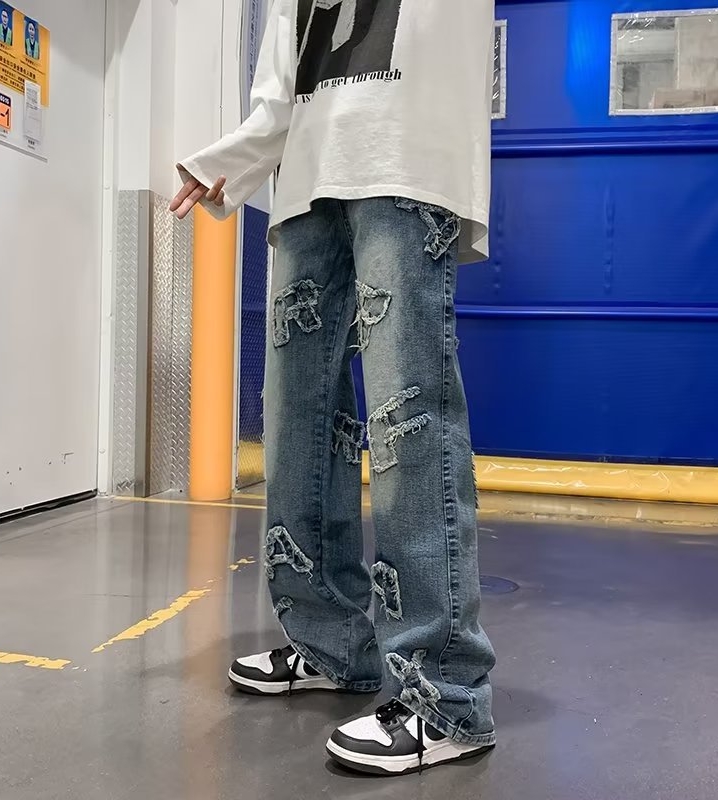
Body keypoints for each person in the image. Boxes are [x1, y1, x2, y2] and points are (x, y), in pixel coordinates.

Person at [170, 0, 496, 776]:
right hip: (305, 176)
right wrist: (233, 156)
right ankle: (330, 643)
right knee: (295, 423)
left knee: (408, 417)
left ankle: (446, 694)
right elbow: (285, 77)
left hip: (404, 152)